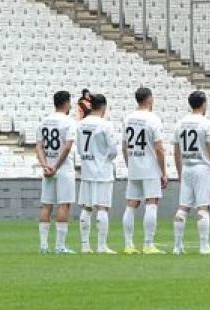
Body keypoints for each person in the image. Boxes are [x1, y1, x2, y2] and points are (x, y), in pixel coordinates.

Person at [172, 90, 210, 255]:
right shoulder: (207, 124)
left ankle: (177, 246)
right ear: (204, 103)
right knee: (203, 208)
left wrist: (180, 172)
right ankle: (204, 246)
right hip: (202, 168)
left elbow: (176, 151)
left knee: (183, 207)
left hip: (187, 167)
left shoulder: (180, 124)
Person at [121, 86, 168, 255]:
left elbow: (124, 146)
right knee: (151, 202)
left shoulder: (128, 119)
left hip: (134, 166)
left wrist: (129, 164)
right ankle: (148, 244)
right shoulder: (153, 119)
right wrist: (163, 172)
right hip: (149, 167)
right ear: (149, 99)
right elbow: (159, 149)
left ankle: (128, 244)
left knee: (131, 204)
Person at [76, 93, 119, 253]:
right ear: (104, 107)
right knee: (102, 207)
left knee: (87, 207)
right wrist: (105, 159)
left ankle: (85, 245)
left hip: (87, 169)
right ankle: (101, 245)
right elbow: (113, 150)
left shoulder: (81, 124)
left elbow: (79, 149)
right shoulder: (105, 125)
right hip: (102, 171)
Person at [36, 90, 77, 254]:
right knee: (64, 205)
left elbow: (39, 145)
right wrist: (57, 166)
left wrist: (45, 165)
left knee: (46, 205)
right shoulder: (69, 122)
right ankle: (60, 246)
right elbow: (67, 147)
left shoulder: (44, 121)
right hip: (63, 168)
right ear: (67, 103)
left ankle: (44, 245)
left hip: (48, 168)